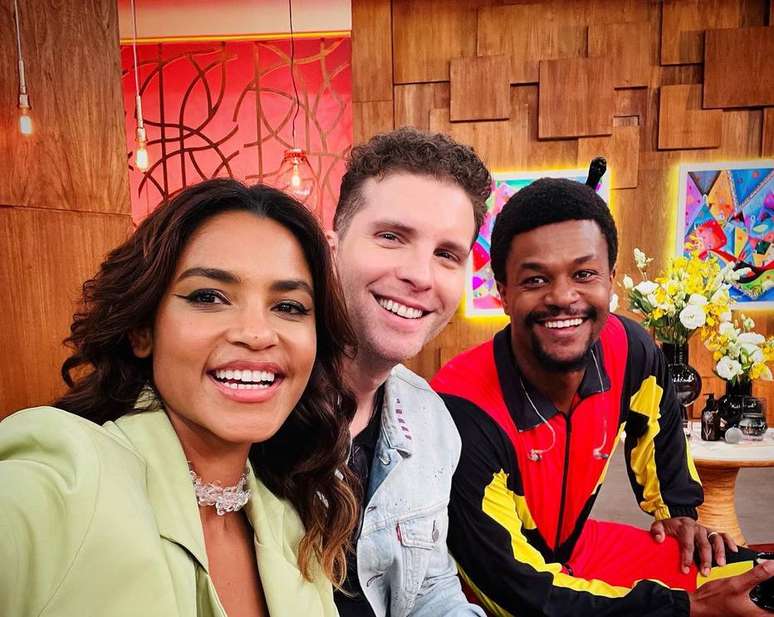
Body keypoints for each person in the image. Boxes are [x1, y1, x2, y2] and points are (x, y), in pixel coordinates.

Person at [0, 179, 359, 617]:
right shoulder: (68, 475)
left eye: (289, 306)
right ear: (142, 330)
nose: (257, 334)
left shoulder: (294, 526)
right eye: (208, 297)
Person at [431, 177, 774, 617]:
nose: (563, 297)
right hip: (500, 589)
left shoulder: (629, 349)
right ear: (504, 293)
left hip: (581, 549)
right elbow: (521, 595)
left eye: (584, 274)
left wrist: (678, 511)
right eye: (535, 279)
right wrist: (687, 607)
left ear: (609, 281)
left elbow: (659, 426)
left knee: (753, 583)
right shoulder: (460, 409)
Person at [327, 127, 490, 617]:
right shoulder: (257, 404)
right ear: (331, 248)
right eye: (391, 237)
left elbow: (428, 590)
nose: (420, 275)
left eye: (446, 255)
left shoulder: (430, 420)